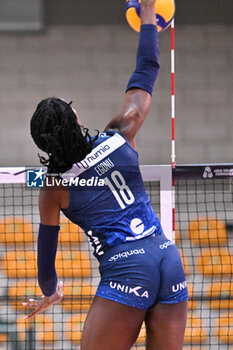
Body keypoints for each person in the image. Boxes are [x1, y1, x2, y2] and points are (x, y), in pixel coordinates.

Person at [24, 0, 188, 348]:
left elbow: (45, 265)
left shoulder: (53, 187)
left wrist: (51, 293)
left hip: (127, 268)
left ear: (43, 142)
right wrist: (148, 17)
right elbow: (146, 69)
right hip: (166, 256)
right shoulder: (120, 133)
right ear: (76, 122)